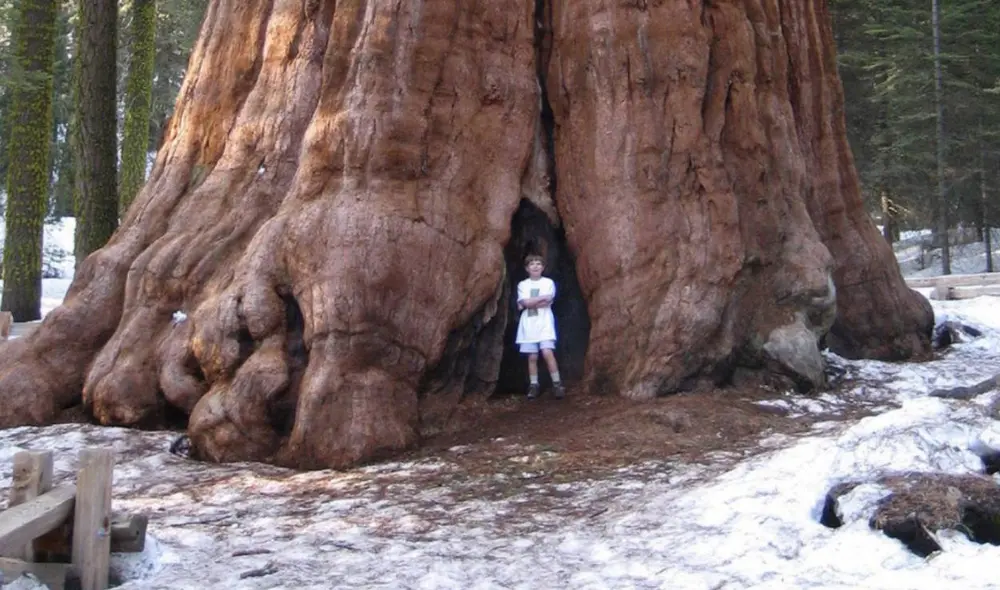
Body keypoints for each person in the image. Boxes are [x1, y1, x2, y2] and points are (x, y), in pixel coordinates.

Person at [515, 254, 565, 399]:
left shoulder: (548, 282)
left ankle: (557, 384)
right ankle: (534, 385)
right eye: (532, 264)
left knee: (547, 352)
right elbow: (525, 302)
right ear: (527, 268)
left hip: (544, 322)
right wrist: (538, 299)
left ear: (543, 267)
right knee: (532, 356)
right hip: (529, 324)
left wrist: (528, 302)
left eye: (538, 263)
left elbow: (548, 301)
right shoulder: (523, 285)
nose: (535, 266)